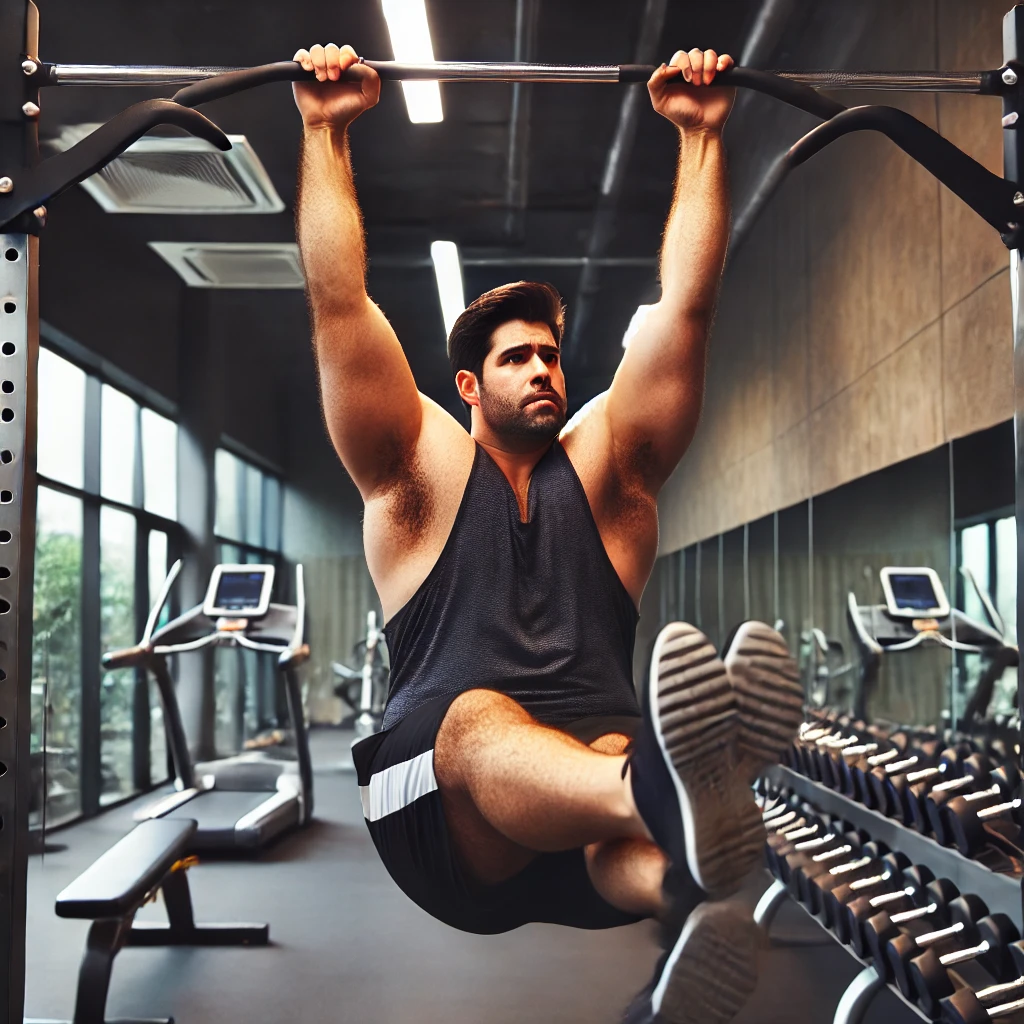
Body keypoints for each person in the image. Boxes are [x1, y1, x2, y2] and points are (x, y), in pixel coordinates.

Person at [293, 42, 803, 1024]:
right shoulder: (417, 472)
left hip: (586, 818)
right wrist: (326, 129)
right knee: (484, 721)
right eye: (518, 356)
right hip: (436, 818)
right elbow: (337, 305)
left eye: (552, 354)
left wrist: (699, 138)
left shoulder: (612, 471)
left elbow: (686, 310)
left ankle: (681, 925)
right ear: (471, 386)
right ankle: (666, 792)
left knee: (644, 820)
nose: (543, 369)